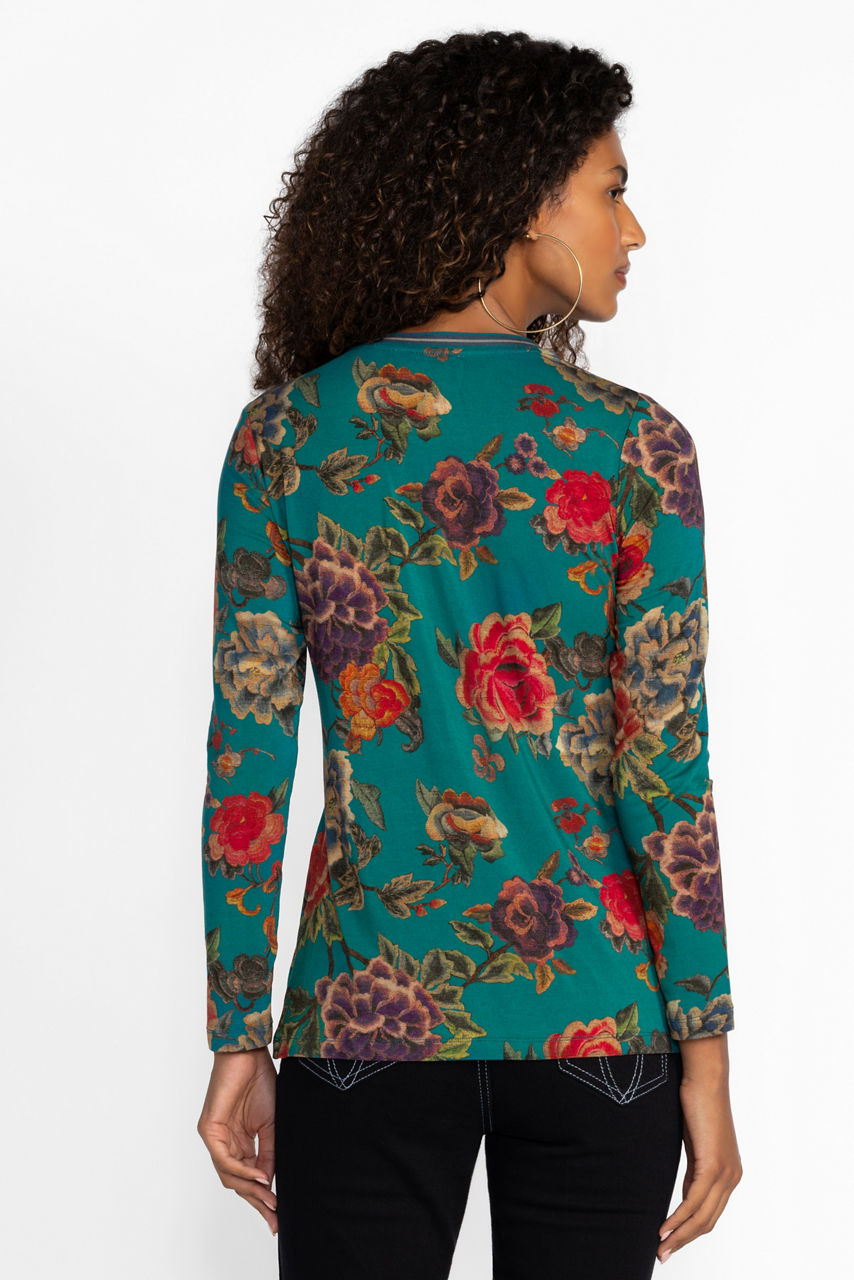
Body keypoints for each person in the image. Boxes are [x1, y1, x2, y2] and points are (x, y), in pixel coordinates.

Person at [196, 29, 742, 1279]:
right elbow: (666, 769)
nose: (632, 228)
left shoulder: (285, 439)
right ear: (523, 197)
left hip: (361, 1017)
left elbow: (247, 766)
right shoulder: (635, 448)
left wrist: (236, 1033)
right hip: (597, 1021)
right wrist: (705, 1057)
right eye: (609, 190)